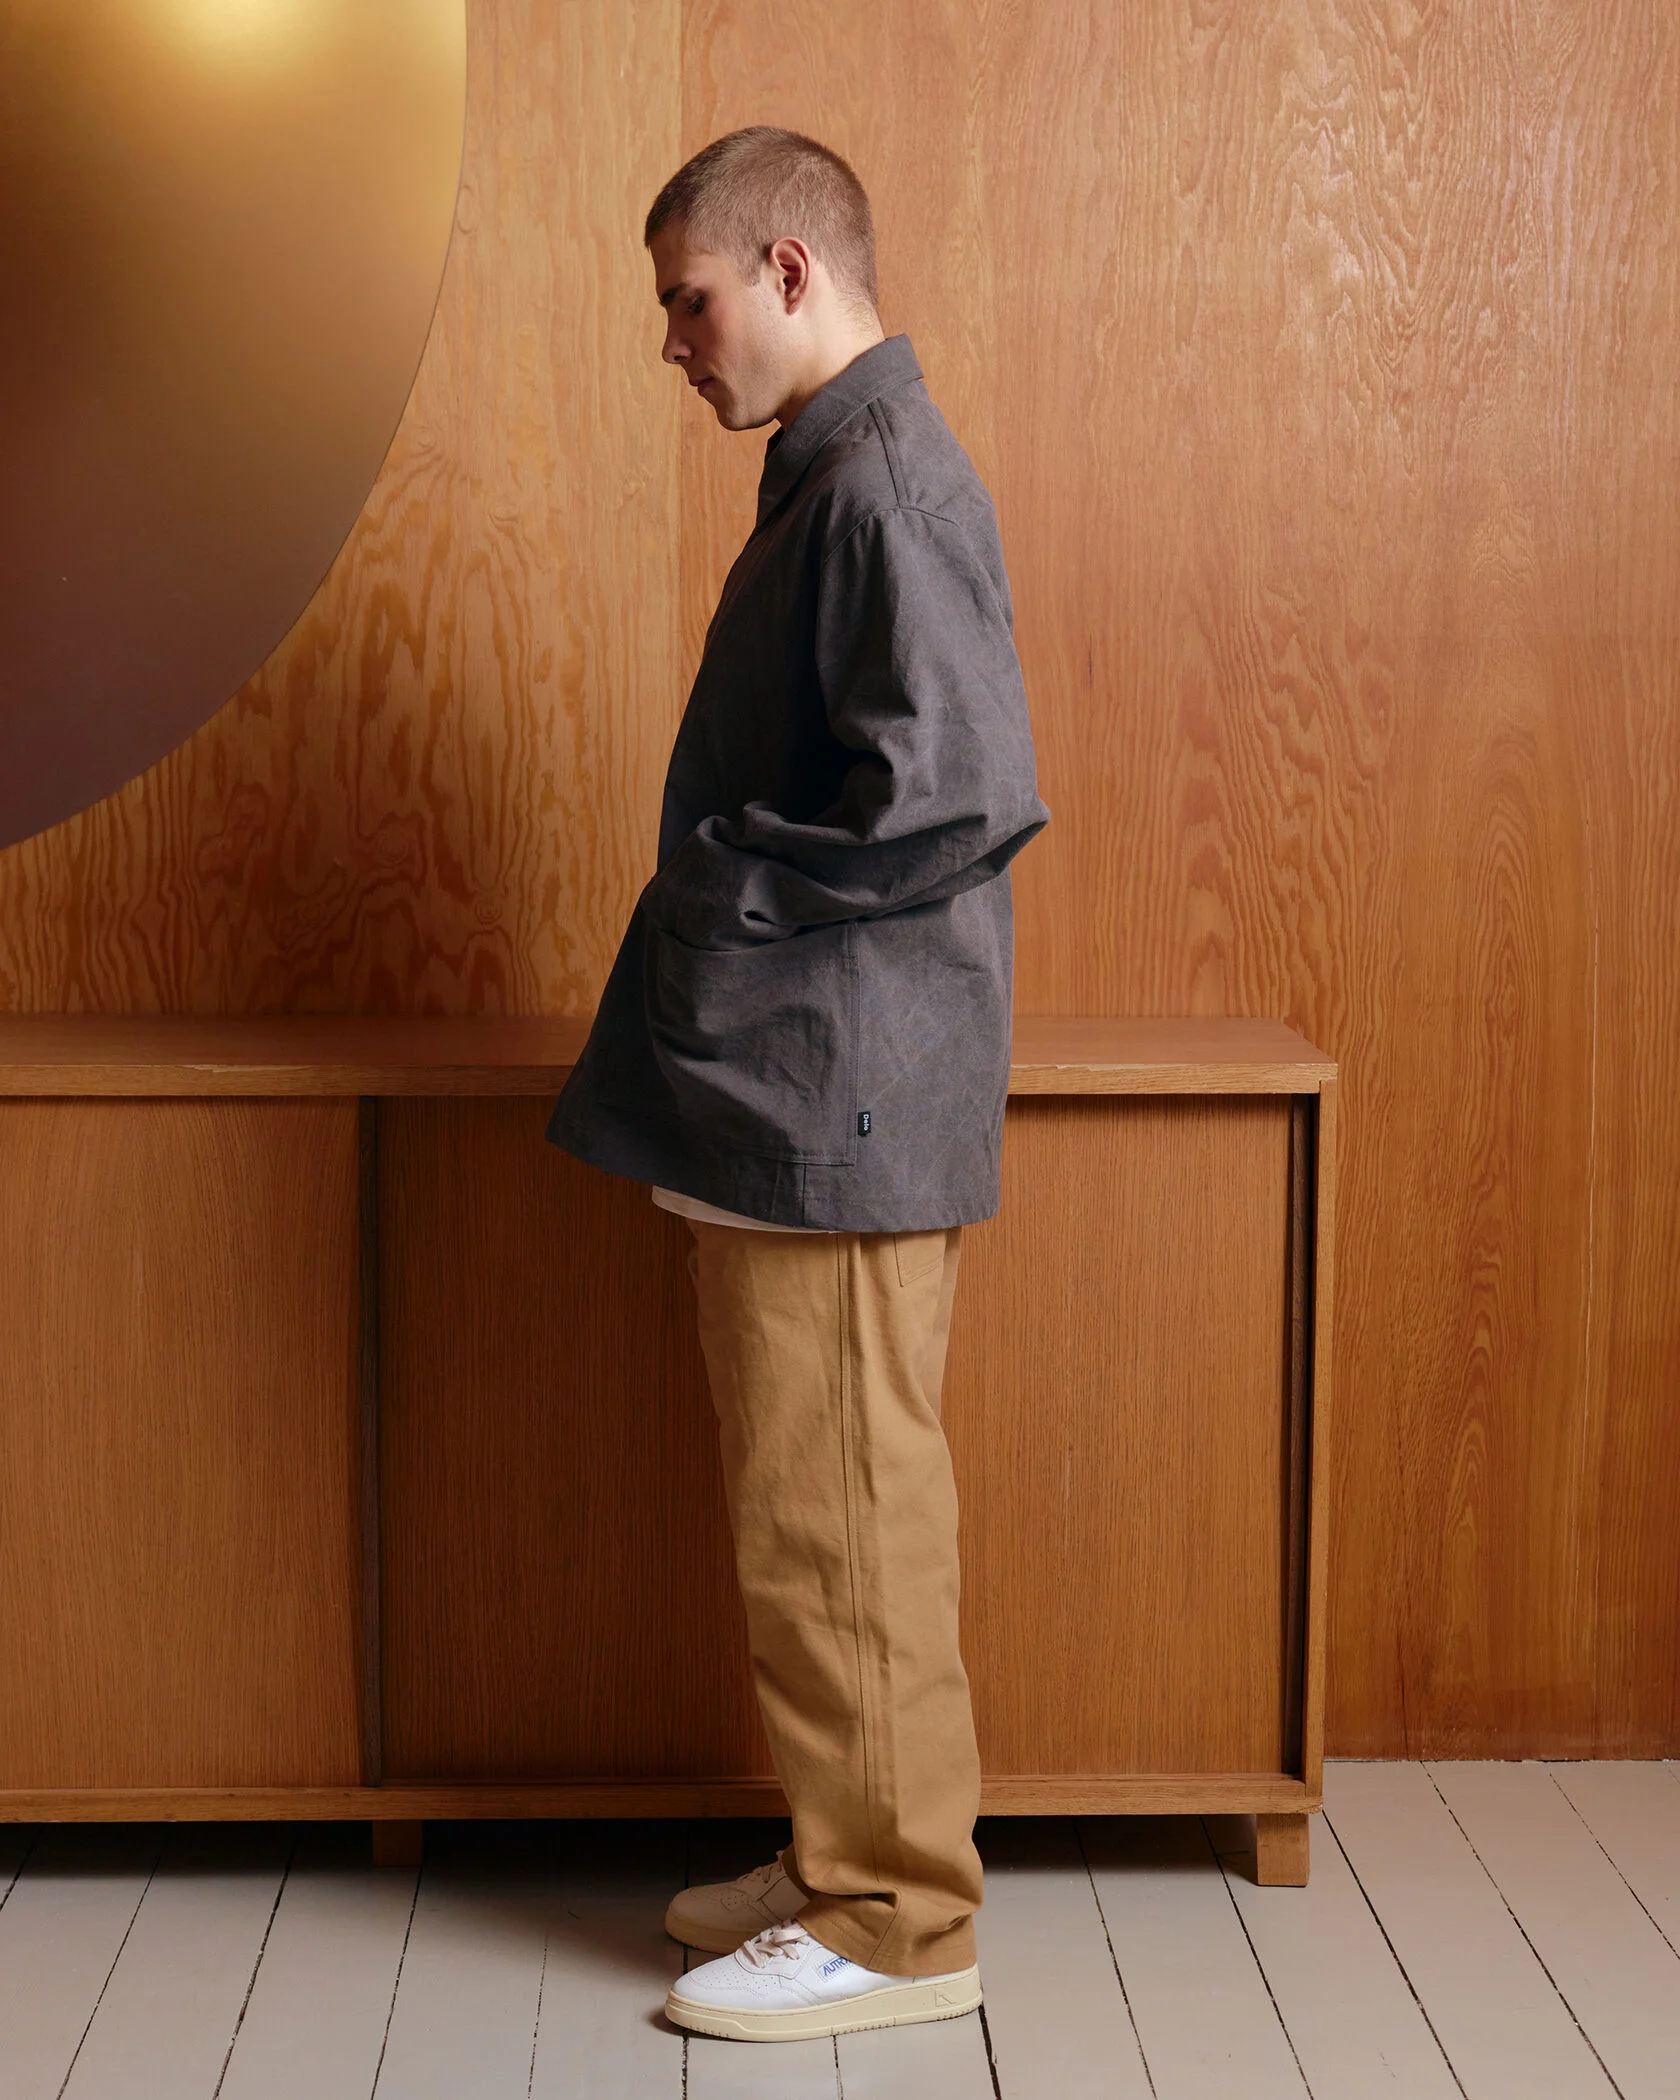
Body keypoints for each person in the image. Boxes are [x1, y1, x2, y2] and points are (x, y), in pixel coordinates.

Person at [545, 125, 1048, 2045]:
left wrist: (723, 895)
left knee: (845, 1510)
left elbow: (961, 792)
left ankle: (898, 1920)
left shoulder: (884, 483)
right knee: (809, 1505)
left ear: (786, 268)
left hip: (835, 1094)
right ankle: (845, 1859)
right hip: (801, 1086)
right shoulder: (833, 471)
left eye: (688, 300)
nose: (672, 341)